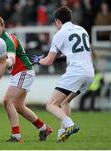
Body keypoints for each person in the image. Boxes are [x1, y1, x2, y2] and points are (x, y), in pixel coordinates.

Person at [31, 6, 94, 142]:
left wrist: (38, 60)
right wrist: (59, 58)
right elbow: (76, 53)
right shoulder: (82, 29)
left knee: (51, 104)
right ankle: (61, 135)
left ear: (57, 21)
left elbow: (47, 61)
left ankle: (70, 125)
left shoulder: (60, 34)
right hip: (89, 73)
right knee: (65, 102)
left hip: (75, 73)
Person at [0, 15, 52, 143]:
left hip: (24, 72)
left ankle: (16, 136)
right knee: (19, 107)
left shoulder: (8, 40)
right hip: (18, 74)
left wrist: (0, 67)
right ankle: (43, 128)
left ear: (3, 27)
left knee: (7, 101)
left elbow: (11, 59)